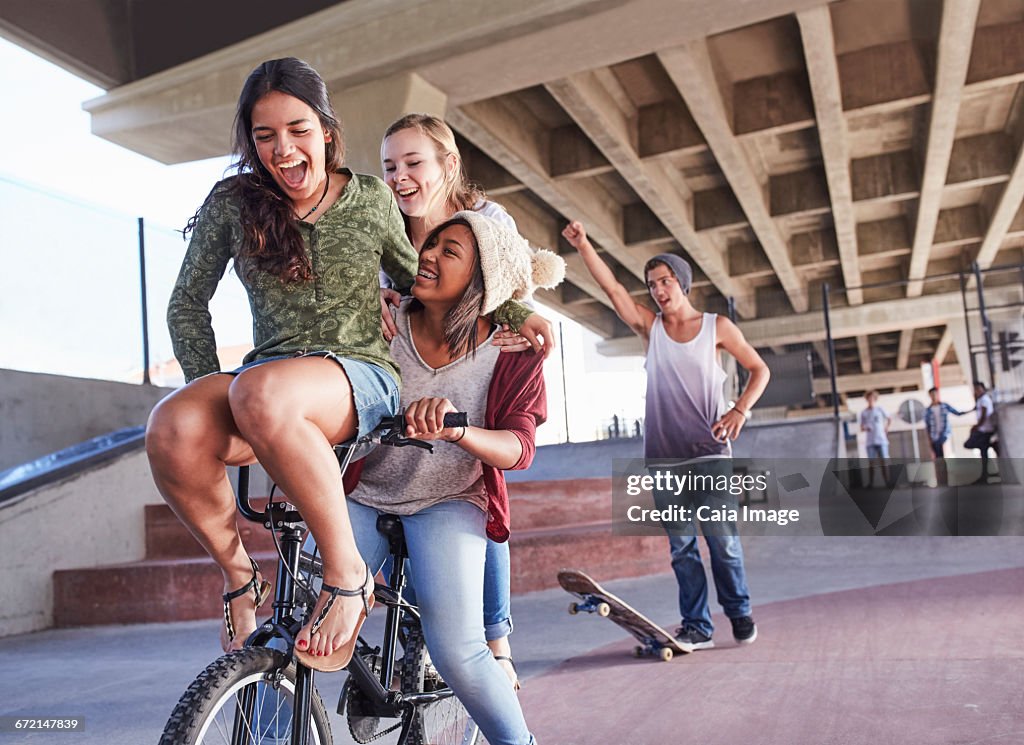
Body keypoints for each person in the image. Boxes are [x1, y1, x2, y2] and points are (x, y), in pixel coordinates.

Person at [144, 58, 537, 671]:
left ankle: (348, 577)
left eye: (298, 129)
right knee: (172, 424)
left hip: (359, 378)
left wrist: (512, 314)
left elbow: (428, 279)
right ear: (250, 141)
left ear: (326, 131)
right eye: (264, 135)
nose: (283, 148)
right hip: (265, 383)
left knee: (262, 395)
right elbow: (187, 304)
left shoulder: (371, 199)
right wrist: (206, 389)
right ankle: (242, 577)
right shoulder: (233, 203)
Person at [340, 213, 563, 745]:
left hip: (449, 497)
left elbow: (518, 448)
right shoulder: (384, 322)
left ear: (482, 276)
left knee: (458, 650)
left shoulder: (510, 350)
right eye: (430, 244)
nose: (429, 255)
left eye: (451, 251)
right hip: (365, 493)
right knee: (302, 618)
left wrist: (459, 430)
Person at [378, 113, 537, 687]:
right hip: (416, 370)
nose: (399, 177)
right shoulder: (387, 230)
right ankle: (412, 630)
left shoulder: (487, 219)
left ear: (448, 164)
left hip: (477, 370)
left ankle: (497, 640)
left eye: (413, 163)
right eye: (390, 166)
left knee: (477, 482)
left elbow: (512, 288)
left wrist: (524, 315)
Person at [562, 219, 769, 651]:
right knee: (682, 550)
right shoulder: (649, 329)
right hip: (664, 459)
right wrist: (584, 246)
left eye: (665, 281)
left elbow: (759, 369)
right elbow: (616, 291)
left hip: (710, 453)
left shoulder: (718, 327)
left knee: (723, 543)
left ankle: (739, 611)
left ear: (683, 283)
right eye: (652, 284)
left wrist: (740, 410)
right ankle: (697, 625)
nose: (658, 290)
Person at [923, 387, 967, 486]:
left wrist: (972, 410)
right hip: (934, 437)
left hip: (944, 435)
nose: (934, 396)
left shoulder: (944, 406)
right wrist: (929, 440)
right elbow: (927, 426)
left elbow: (957, 413)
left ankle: (945, 480)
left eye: (935, 394)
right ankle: (940, 480)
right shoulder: (928, 410)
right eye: (932, 394)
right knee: (938, 458)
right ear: (930, 396)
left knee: (942, 457)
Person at [969, 381, 999, 484]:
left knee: (982, 450)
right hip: (984, 430)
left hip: (986, 430)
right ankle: (985, 474)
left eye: (978, 389)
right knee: (984, 452)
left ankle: (985, 475)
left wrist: (977, 426)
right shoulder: (980, 400)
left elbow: (984, 415)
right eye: (976, 389)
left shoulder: (984, 399)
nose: (977, 391)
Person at [859, 390, 891, 487]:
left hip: (881, 439)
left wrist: (886, 427)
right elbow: (861, 426)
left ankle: (888, 482)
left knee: (884, 461)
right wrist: (865, 428)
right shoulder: (864, 412)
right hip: (870, 441)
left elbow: (889, 418)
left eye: (872, 398)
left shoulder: (880, 409)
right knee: (871, 462)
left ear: (875, 399)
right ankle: (871, 483)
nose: (871, 400)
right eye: (869, 398)